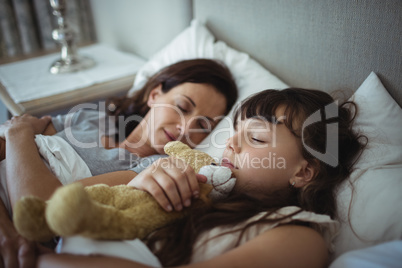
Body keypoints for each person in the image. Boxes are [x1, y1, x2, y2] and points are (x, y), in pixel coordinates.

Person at [35, 88, 366, 267]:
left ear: (304, 171)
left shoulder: (298, 235)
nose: (230, 143)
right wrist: (137, 182)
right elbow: (54, 205)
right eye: (235, 131)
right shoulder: (192, 176)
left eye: (257, 138)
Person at [0, 59, 238, 268]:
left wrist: (18, 133)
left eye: (202, 126)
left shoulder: (153, 169)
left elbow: (40, 209)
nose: (185, 128)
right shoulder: (93, 118)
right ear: (154, 95)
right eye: (182, 107)